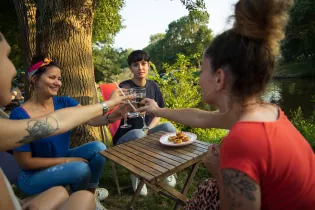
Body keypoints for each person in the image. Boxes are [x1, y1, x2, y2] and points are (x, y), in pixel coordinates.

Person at [136, 0, 315, 209]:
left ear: (219, 79)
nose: (199, 78)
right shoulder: (265, 111)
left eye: (202, 70)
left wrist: (218, 170)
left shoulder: (242, 142)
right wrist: (157, 110)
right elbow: (200, 117)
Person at [0, 33, 129, 209]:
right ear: (34, 79)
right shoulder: (19, 114)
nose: (58, 83)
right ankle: (78, 198)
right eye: (52, 78)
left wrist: (112, 116)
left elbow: (91, 119)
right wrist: (68, 161)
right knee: (81, 169)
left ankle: (90, 196)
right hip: (32, 175)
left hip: (62, 157)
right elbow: (26, 163)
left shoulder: (64, 102)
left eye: (59, 78)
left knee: (99, 148)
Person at [113, 50, 177, 196]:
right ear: (131, 68)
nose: (140, 67)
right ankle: (137, 174)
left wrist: (148, 128)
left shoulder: (153, 86)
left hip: (146, 131)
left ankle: (165, 168)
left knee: (169, 127)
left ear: (148, 66)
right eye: (136, 65)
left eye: (143, 64)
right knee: (138, 133)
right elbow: (119, 112)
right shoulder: (125, 87)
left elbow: (159, 113)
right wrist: (130, 109)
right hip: (127, 137)